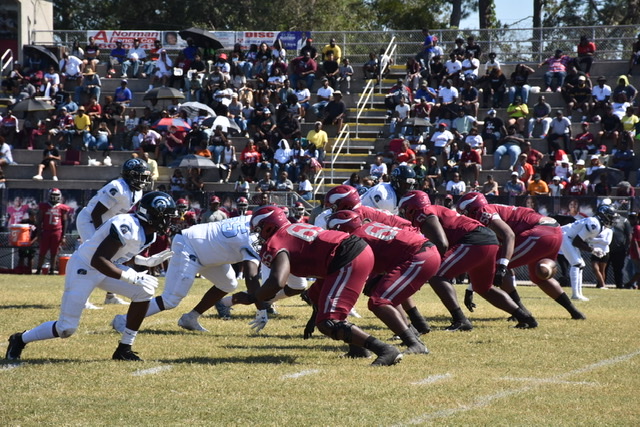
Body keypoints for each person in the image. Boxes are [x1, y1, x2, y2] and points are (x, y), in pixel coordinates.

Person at [5, 191, 178, 362]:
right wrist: (132, 277)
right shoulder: (126, 225)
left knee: (144, 290)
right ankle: (20, 339)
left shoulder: (149, 233)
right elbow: (99, 260)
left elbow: (119, 254)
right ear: (151, 214)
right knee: (66, 328)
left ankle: (124, 348)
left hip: (106, 266)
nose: (169, 221)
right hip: (85, 267)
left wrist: (144, 261)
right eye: (166, 216)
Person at [249, 205, 403, 366]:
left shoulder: (277, 240)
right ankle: (358, 349)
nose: (258, 236)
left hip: (346, 256)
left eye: (258, 230)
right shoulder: (292, 229)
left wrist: (253, 297)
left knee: (328, 322)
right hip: (349, 252)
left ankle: (385, 350)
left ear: (269, 227)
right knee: (316, 299)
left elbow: (277, 282)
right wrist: (315, 314)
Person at [398, 190, 538, 328]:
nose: (404, 214)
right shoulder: (434, 210)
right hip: (487, 239)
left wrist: (430, 268)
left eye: (404, 210)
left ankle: (460, 320)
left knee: (436, 274)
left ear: (411, 208)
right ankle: (525, 317)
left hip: (473, 240)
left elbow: (442, 243)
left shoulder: (423, 213)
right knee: (483, 288)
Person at [111, 215, 265, 333]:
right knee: (171, 299)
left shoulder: (251, 220)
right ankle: (123, 320)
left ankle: (190, 318)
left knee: (228, 283)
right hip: (189, 245)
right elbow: (251, 277)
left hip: (208, 250)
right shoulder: (253, 238)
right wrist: (261, 309)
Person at [457, 192, 586, 319]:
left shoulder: (483, 211)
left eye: (464, 213)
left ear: (472, 208)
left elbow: (508, 235)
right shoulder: (492, 211)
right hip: (554, 231)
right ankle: (575, 312)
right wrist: (471, 287)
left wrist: (502, 266)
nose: (464, 218)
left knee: (497, 265)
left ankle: (521, 313)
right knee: (540, 276)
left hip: (540, 233)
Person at [326, 210, 440, 354]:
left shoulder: (356, 239)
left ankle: (415, 343)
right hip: (423, 252)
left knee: (379, 301)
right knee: (380, 293)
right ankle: (411, 333)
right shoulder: (367, 229)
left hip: (420, 256)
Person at [75, 158, 151, 307]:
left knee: (113, 257)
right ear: (130, 175)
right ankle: (82, 298)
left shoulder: (137, 191)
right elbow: (96, 213)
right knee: (94, 257)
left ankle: (110, 296)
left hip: (107, 224)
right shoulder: (118, 187)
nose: (143, 180)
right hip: (90, 221)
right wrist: (100, 235)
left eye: (145, 177)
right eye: (140, 176)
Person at [559, 204, 618, 300]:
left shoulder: (598, 225)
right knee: (577, 263)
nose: (612, 219)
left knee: (581, 264)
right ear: (603, 216)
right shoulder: (594, 224)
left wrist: (593, 249)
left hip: (569, 237)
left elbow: (582, 240)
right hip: (565, 236)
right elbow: (576, 242)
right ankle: (575, 295)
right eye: (610, 217)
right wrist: (593, 250)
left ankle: (578, 294)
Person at [34, 189, 69, 275]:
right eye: (53, 195)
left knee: (54, 252)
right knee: (42, 251)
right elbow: (39, 221)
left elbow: (65, 222)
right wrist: (38, 234)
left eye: (56, 195)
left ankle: (52, 270)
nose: (55, 197)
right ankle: (38, 269)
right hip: (46, 231)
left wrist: (63, 236)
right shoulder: (44, 206)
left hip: (57, 231)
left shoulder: (62, 207)